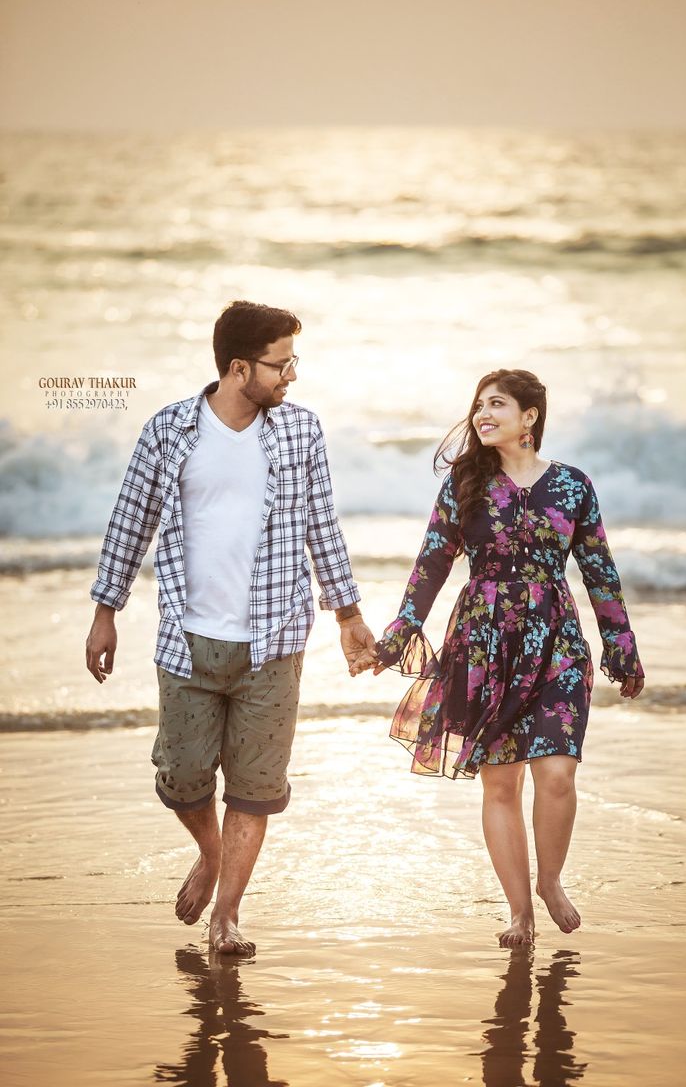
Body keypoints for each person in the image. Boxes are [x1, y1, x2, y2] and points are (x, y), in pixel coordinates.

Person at [85, 300, 375, 955]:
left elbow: (321, 528)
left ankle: (227, 915)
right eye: (281, 364)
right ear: (239, 368)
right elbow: (130, 522)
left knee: (255, 787)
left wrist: (348, 614)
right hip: (187, 642)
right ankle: (210, 855)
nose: (292, 375)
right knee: (183, 777)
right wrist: (106, 611)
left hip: (275, 642)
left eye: (293, 361)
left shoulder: (300, 432)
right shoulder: (170, 432)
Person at [364, 369, 644, 947]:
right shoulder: (464, 484)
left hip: (557, 641)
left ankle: (551, 881)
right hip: (482, 645)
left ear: (530, 417)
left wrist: (620, 641)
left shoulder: (572, 486)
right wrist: (400, 631)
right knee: (500, 786)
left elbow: (599, 570)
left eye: (497, 404)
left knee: (558, 774)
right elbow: (432, 564)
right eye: (478, 405)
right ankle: (519, 911)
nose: (482, 414)